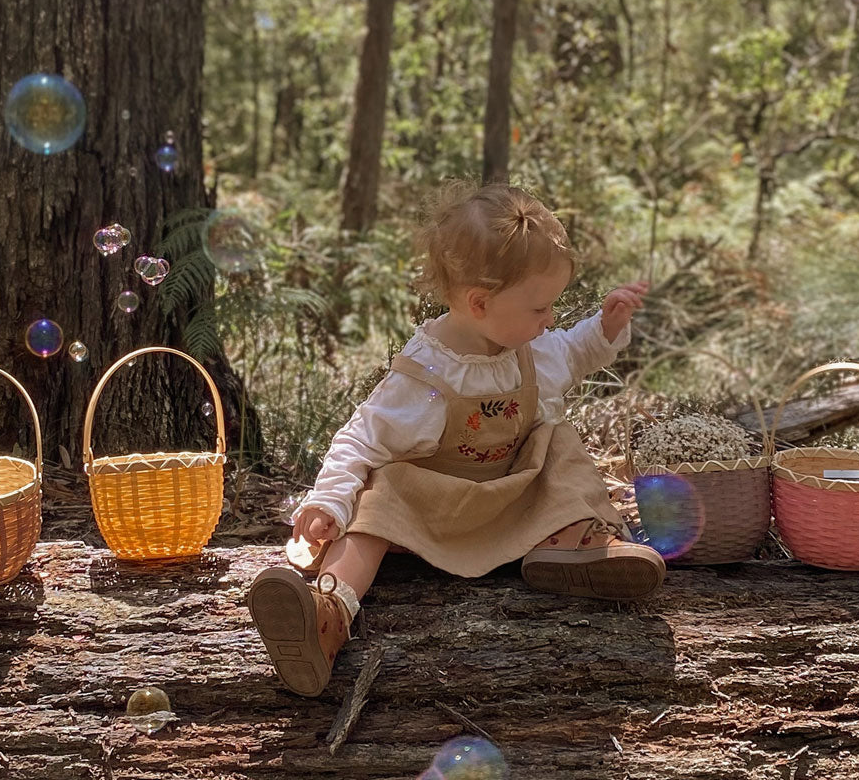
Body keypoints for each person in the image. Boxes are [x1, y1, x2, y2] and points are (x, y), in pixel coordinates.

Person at [247, 182, 664, 696]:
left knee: (558, 444)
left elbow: (575, 352)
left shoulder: (531, 349)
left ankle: (574, 545)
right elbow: (361, 439)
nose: (550, 320)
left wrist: (604, 327)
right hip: (438, 511)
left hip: (513, 497)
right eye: (540, 309)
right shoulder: (424, 376)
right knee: (382, 496)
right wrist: (330, 499)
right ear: (480, 302)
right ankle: (328, 612)